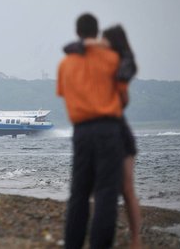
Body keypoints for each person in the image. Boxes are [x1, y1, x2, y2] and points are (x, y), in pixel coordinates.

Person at [57, 13, 126, 249]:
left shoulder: (65, 64)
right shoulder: (112, 59)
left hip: (81, 131)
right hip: (108, 128)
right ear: (97, 33)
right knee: (106, 191)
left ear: (77, 32)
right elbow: (123, 95)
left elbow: (65, 94)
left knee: (79, 191)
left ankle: (73, 244)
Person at [102, 25, 142, 249]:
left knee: (124, 189)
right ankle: (135, 239)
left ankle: (135, 239)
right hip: (117, 129)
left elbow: (123, 99)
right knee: (126, 190)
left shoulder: (119, 66)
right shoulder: (123, 64)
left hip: (114, 130)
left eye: (104, 40)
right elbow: (124, 100)